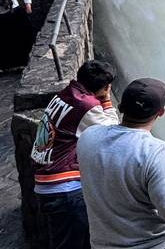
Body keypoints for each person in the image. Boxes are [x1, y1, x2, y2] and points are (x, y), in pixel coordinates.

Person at [77, 78, 165, 249]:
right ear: (161, 112)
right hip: (151, 245)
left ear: (122, 106)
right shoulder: (155, 151)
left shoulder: (88, 137)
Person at [30, 60, 119, 249]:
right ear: (105, 86)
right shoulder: (86, 106)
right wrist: (106, 99)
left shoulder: (64, 95)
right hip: (64, 188)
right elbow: (113, 131)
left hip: (46, 180)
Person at [0, 0, 33, 69]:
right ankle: (8, 66)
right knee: (6, 43)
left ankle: (23, 63)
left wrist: (28, 7)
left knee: (22, 39)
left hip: (16, 14)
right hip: (2, 19)